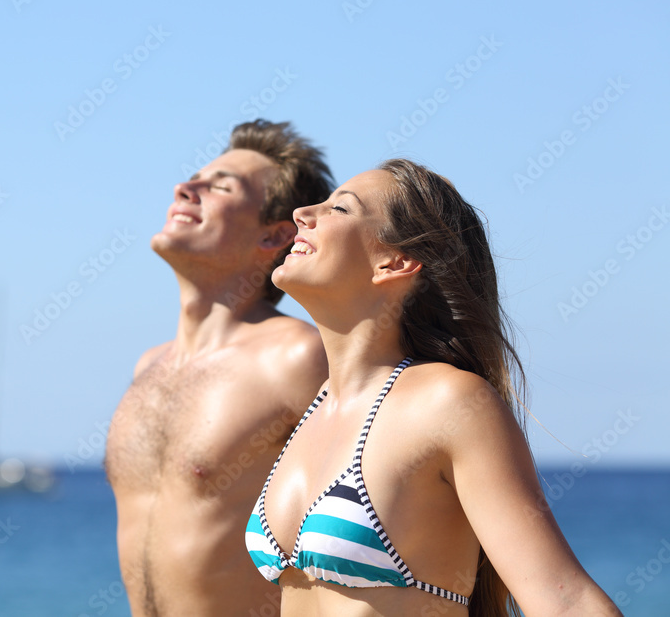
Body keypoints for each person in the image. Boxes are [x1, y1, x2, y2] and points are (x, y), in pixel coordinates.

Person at [245, 158, 622, 616]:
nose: (304, 213)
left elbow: (565, 600)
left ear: (396, 262)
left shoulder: (449, 403)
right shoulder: (315, 409)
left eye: (339, 209)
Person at [105, 120, 334, 616]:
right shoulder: (150, 365)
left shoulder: (298, 357)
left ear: (275, 234)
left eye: (221, 186)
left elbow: (380, 518)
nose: (186, 188)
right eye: (194, 178)